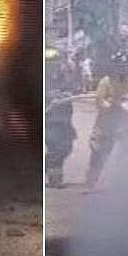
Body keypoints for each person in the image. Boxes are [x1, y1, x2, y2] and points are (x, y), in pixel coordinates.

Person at [85, 62, 128, 188]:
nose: (122, 69)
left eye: (124, 67)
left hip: (124, 119)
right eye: (120, 67)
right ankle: (92, 180)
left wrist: (127, 107)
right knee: (99, 149)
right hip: (107, 120)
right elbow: (99, 100)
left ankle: (126, 182)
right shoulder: (106, 81)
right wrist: (111, 107)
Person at [44, 48, 78, 189]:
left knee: (66, 147)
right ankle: (54, 179)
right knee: (56, 149)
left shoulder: (63, 75)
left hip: (64, 120)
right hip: (51, 120)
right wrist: (51, 95)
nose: (55, 64)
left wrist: (65, 93)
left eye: (57, 60)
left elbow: (73, 87)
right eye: (51, 62)